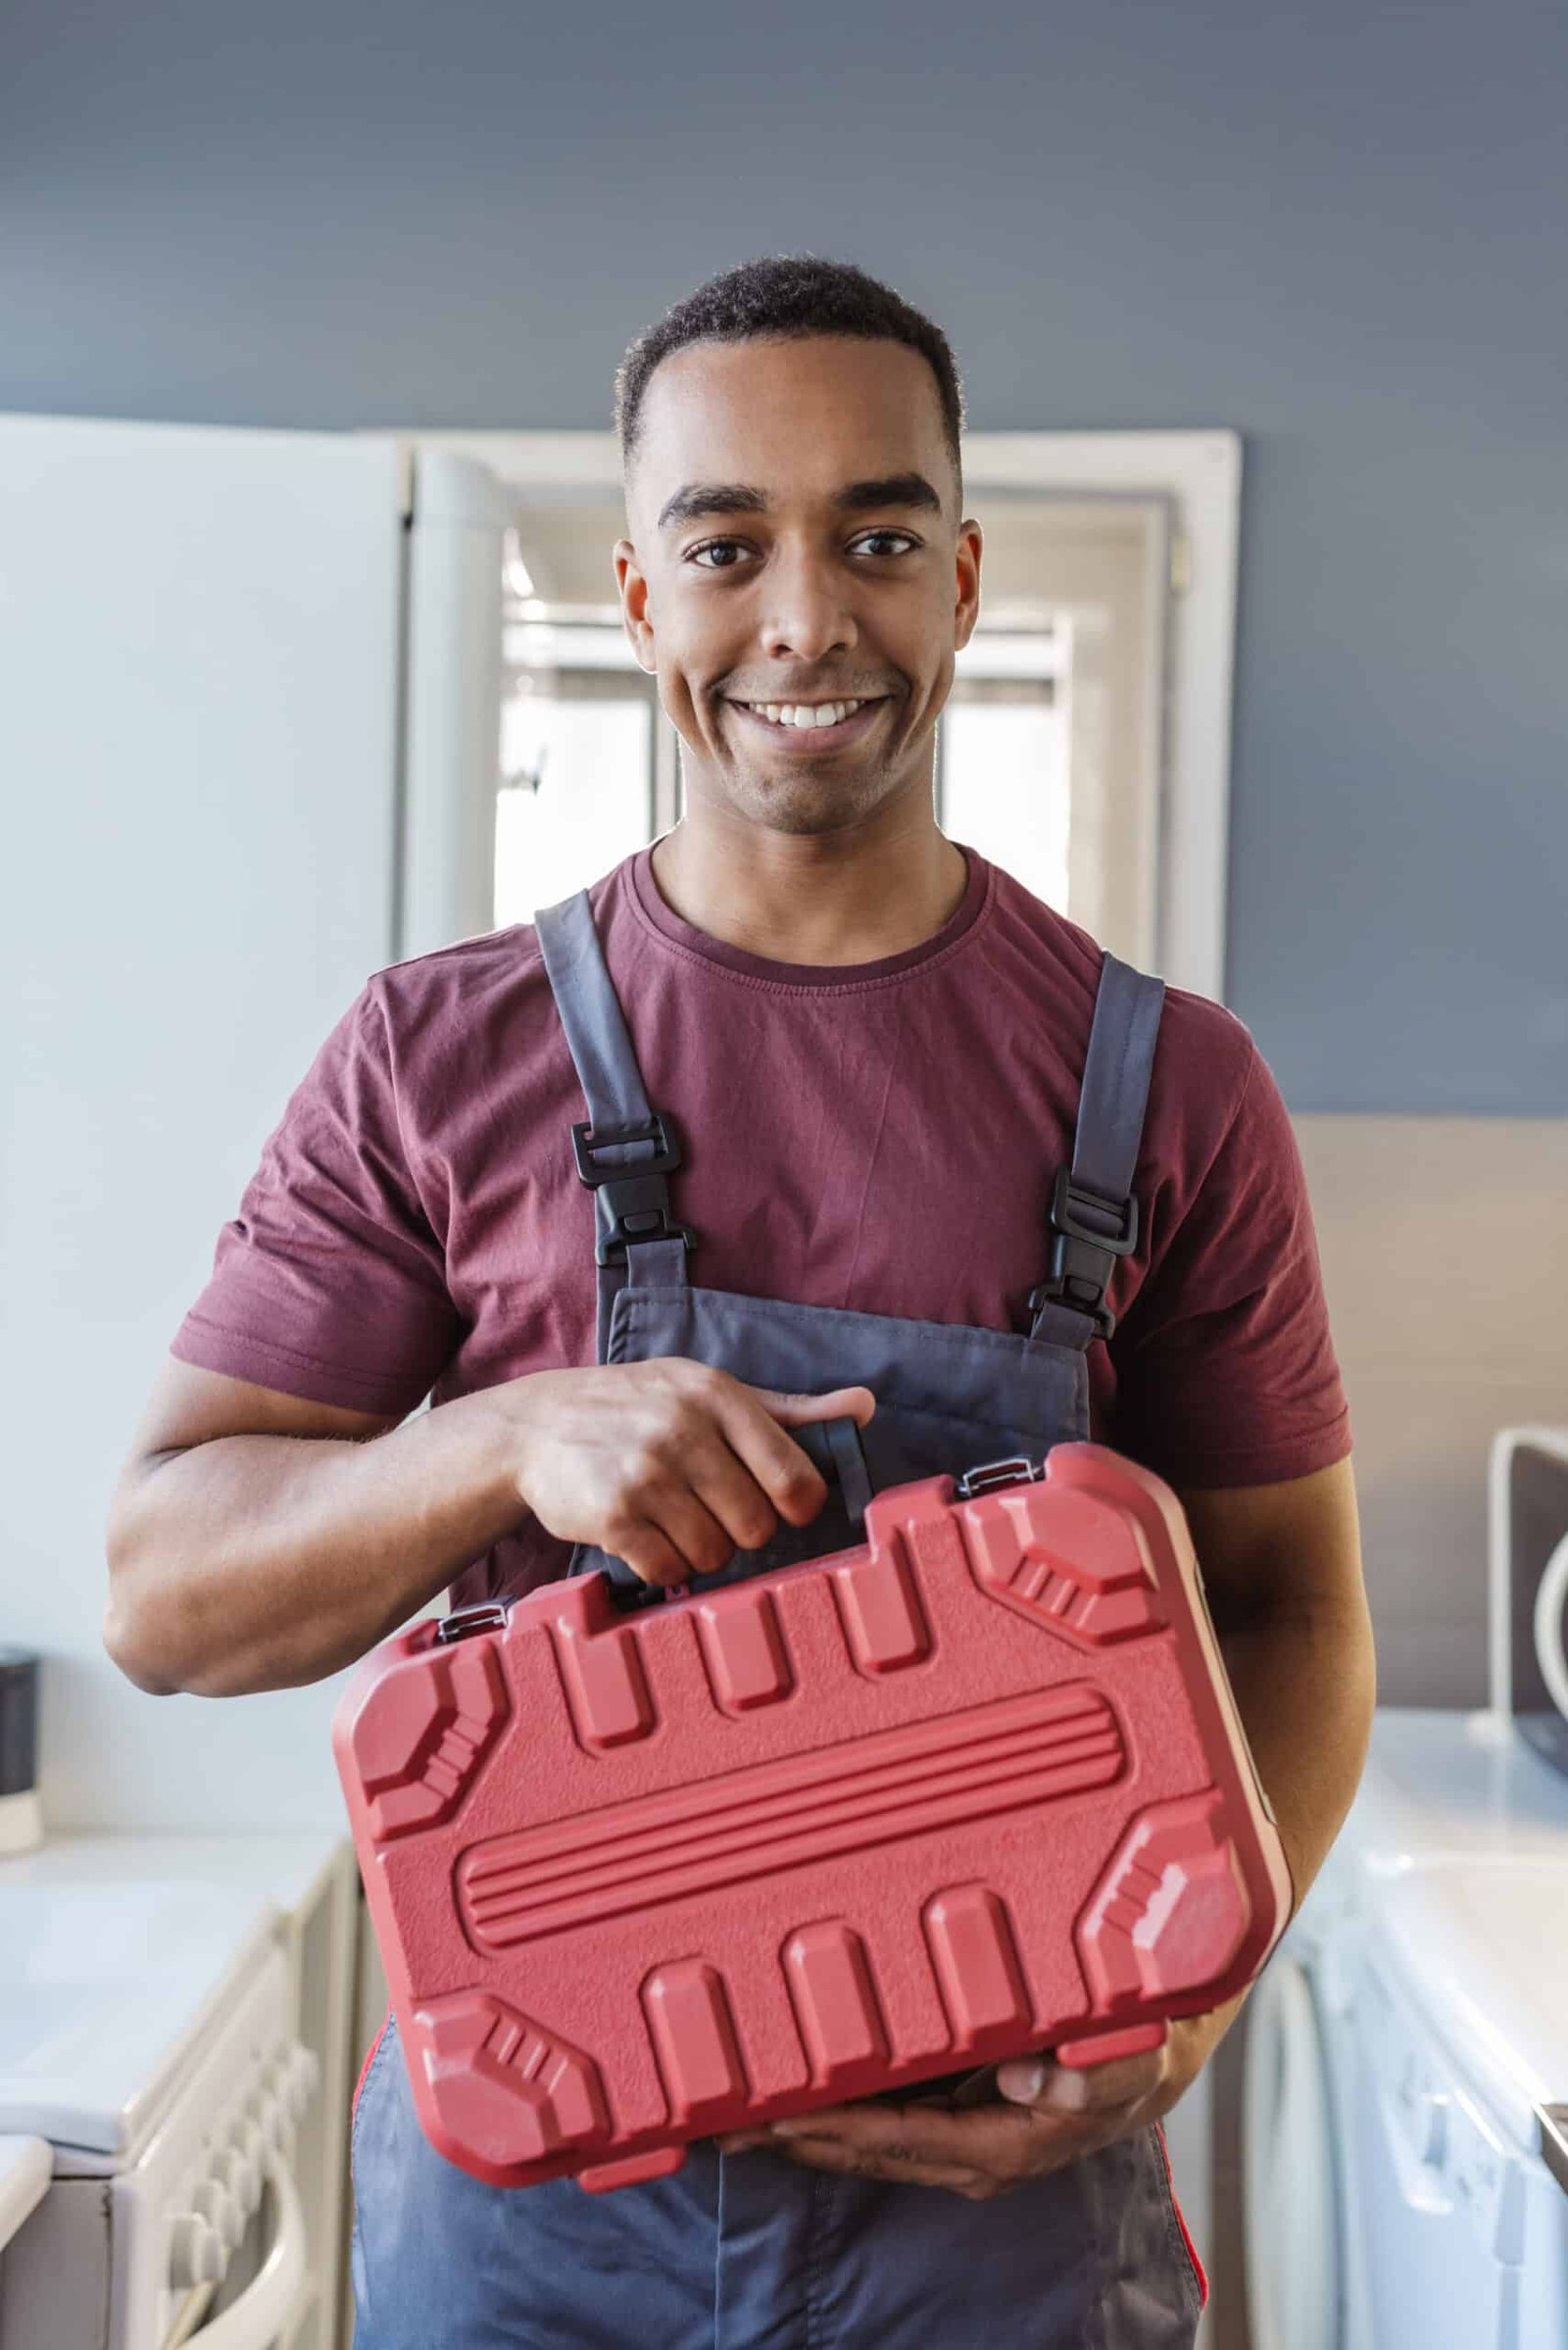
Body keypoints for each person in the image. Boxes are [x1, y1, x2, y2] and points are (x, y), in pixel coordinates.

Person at [104, 255, 1374, 2348]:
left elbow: (1295, 1609)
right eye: (726, 545)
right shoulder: (437, 1053)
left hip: (1006, 2233)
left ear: (959, 581)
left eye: (874, 535)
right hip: (535, 2222)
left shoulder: (1167, 1089)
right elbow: (161, 1592)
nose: (803, 617)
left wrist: (1193, 1994)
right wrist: (497, 1436)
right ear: (634, 599)